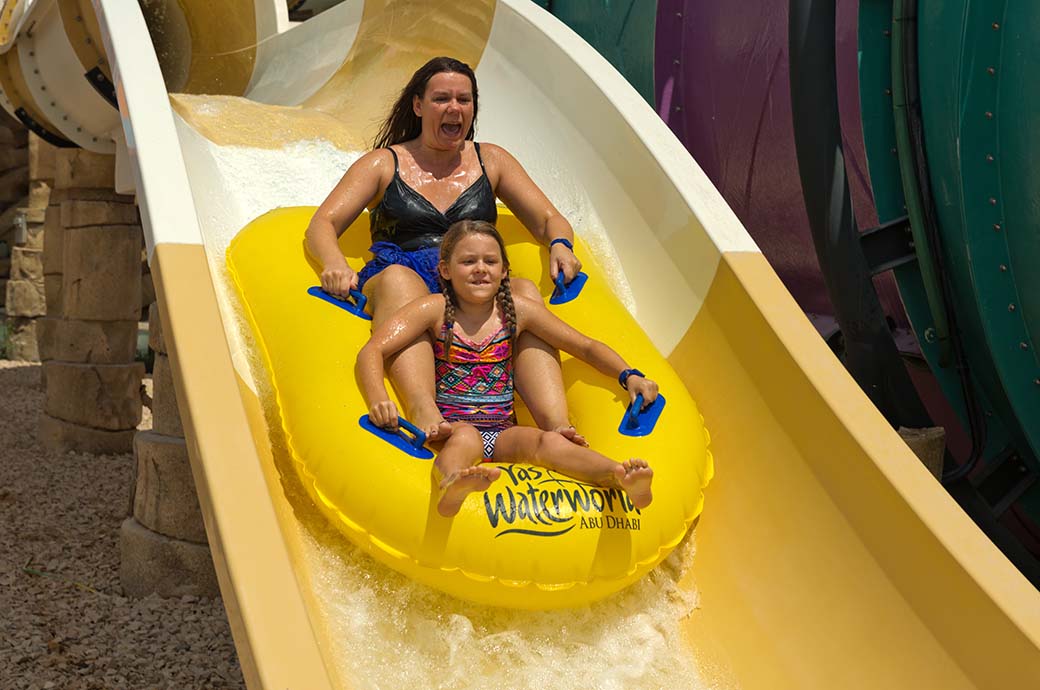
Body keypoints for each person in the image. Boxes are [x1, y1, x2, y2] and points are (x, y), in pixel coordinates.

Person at [306, 56, 583, 444]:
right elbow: (323, 224)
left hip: (470, 277)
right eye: (441, 99)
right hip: (402, 270)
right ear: (419, 106)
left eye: (464, 100)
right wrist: (334, 263)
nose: (454, 108)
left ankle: (557, 427)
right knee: (402, 282)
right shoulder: (384, 164)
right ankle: (425, 411)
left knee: (523, 293)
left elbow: (549, 218)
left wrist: (559, 245)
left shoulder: (492, 160)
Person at [357, 220, 657, 518]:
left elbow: (583, 346)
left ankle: (618, 475)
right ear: (445, 270)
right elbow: (373, 351)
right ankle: (452, 482)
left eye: (490, 261)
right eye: (468, 261)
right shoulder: (433, 310)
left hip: (502, 431)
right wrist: (378, 400)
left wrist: (628, 375)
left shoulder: (518, 311)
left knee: (548, 441)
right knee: (466, 440)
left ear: (504, 271)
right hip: (451, 426)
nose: (480, 268)